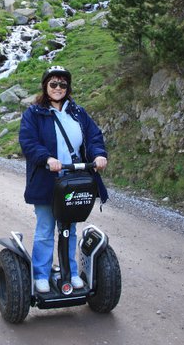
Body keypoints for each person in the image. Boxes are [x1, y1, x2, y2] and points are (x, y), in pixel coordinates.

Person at [18, 65, 109, 293]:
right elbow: (28, 142)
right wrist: (47, 158)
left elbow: (94, 136)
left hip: (74, 180)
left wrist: (98, 155)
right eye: (53, 84)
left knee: (70, 229)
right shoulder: (34, 113)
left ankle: (70, 272)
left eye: (63, 84)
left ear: (68, 88)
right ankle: (41, 274)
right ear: (45, 86)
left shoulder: (78, 112)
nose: (58, 88)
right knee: (45, 229)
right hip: (46, 180)